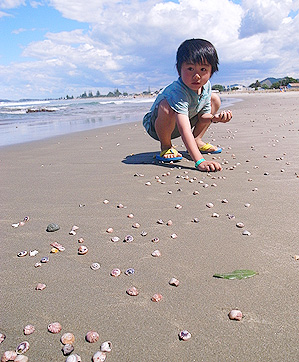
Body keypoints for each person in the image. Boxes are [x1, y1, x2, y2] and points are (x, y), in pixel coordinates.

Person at [143, 38, 232, 172]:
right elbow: (184, 129)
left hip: (186, 118)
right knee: (166, 106)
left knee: (215, 99)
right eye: (190, 68)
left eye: (203, 69)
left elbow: (203, 117)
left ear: (211, 71)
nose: (196, 76)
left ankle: (197, 140)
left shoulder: (206, 87)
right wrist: (199, 161)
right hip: (157, 126)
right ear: (179, 70)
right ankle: (166, 146)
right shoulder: (178, 92)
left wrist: (215, 118)